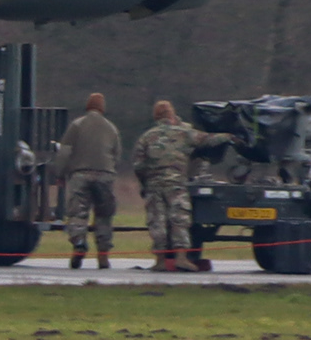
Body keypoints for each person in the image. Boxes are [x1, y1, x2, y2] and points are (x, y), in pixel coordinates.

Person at [130, 98, 205, 272]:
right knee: (179, 218)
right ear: (171, 114)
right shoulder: (185, 132)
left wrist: (145, 183)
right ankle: (181, 257)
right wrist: (231, 137)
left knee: (158, 221)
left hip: (154, 185)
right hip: (176, 183)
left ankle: (160, 260)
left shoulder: (148, 136)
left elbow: (138, 165)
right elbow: (205, 144)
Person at [57, 90, 123, 269]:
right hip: (105, 175)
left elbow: (65, 152)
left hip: (80, 174)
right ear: (103, 108)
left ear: (88, 105)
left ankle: (79, 244)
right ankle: (103, 254)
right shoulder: (111, 128)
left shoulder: (77, 125)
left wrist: (60, 174)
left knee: (78, 213)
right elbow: (117, 156)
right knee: (104, 215)